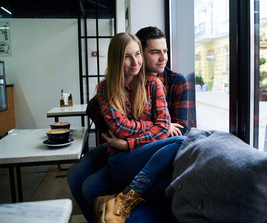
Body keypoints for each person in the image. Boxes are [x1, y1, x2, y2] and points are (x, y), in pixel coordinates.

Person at [67, 33, 185, 223]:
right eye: (127, 57)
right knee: (79, 178)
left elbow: (163, 128)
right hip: (120, 159)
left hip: (136, 151)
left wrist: (129, 143)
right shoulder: (105, 88)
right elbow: (120, 128)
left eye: (137, 54)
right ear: (116, 59)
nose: (135, 62)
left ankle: (127, 198)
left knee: (180, 140)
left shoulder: (153, 84)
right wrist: (150, 125)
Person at [135, 26, 193, 136]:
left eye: (165, 51)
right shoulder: (129, 78)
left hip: (163, 144)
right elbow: (94, 109)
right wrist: (164, 126)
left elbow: (180, 129)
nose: (163, 58)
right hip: (131, 142)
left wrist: (159, 127)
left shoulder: (177, 81)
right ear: (139, 54)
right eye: (155, 52)